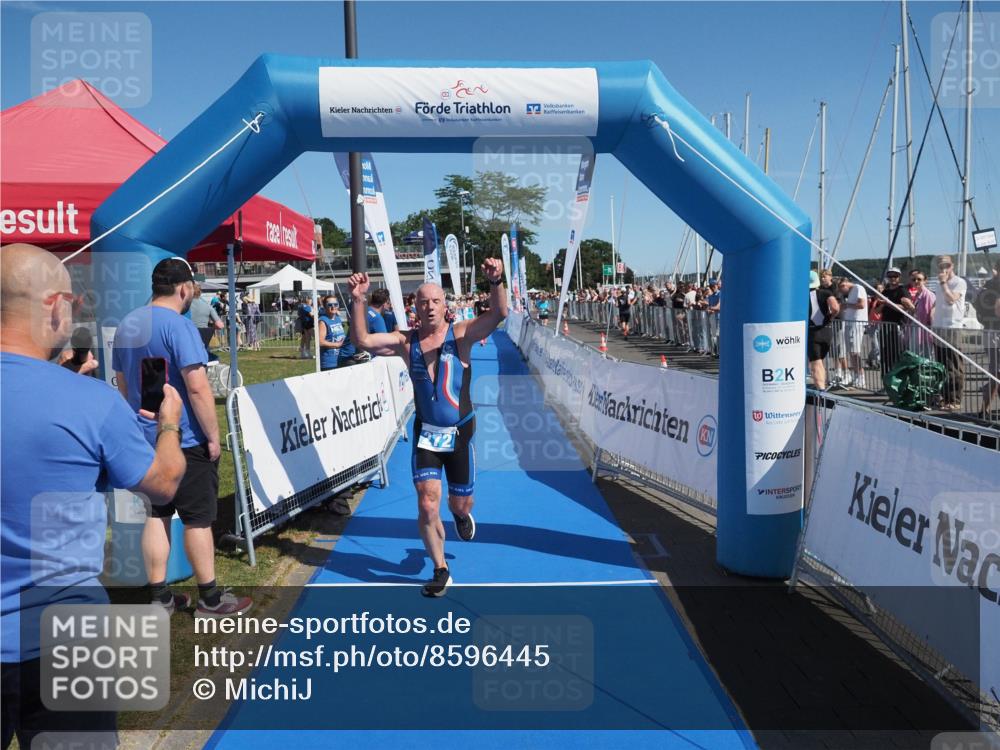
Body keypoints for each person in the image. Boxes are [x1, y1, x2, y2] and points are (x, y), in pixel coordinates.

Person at [1, 244, 186, 749]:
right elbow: (164, 481)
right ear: (53, 305)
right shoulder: (91, 402)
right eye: (74, 304)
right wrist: (169, 425)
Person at [346, 258, 507, 597]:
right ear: (414, 307)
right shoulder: (406, 343)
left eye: (435, 301)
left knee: (459, 504)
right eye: (423, 301)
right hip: (426, 435)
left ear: (444, 306)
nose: (430, 307)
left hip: (460, 434)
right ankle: (440, 569)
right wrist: (358, 299)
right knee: (426, 503)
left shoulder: (461, 335)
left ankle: (461, 516)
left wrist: (496, 282)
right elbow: (362, 340)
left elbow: (498, 316)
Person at [113, 258, 251, 617]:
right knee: (197, 518)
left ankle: (159, 598)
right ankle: (210, 598)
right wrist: (214, 435)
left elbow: (124, 382)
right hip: (185, 438)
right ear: (184, 289)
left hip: (145, 437)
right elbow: (198, 387)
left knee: (156, 515)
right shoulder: (180, 325)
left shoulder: (129, 323)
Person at [932, 254, 967, 410]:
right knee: (941, 365)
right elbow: (937, 303)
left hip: (952, 327)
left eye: (946, 265)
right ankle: (945, 398)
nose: (944, 269)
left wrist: (944, 282)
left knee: (953, 365)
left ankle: (955, 399)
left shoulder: (959, 282)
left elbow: (951, 299)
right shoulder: (939, 284)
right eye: (941, 266)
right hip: (939, 327)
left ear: (952, 266)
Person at [808, 270, 840, 390]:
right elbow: (835, 307)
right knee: (820, 361)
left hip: (813, 331)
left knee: (816, 363)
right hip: (827, 330)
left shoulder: (802, 294)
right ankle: (822, 386)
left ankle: (821, 391)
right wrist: (831, 317)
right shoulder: (826, 293)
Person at [976, 259, 1000, 419]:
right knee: (995, 373)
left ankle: (984, 409)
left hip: (991, 331)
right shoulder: (990, 286)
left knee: (995, 373)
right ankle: (984, 408)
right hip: (993, 333)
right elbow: (981, 310)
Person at [873, 267, 907, 377]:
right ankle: (886, 379)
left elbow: (905, 307)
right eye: (890, 276)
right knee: (885, 354)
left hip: (897, 325)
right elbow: (877, 310)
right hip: (885, 326)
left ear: (899, 277)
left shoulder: (902, 290)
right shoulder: (885, 291)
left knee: (895, 354)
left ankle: (896, 379)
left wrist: (888, 303)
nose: (892, 278)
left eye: (895, 276)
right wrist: (883, 303)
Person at [836, 278, 868, 388]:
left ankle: (861, 377)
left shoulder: (858, 288)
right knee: (852, 352)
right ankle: (856, 376)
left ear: (844, 285)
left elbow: (862, 304)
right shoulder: (852, 292)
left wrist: (846, 305)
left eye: (841, 289)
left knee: (855, 352)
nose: (842, 292)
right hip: (850, 323)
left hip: (857, 323)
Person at [190, 283, 224, 359]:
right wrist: (210, 327)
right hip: (203, 341)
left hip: (187, 341)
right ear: (200, 292)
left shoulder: (184, 305)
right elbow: (220, 325)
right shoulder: (207, 306)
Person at [318, 295, 347, 371]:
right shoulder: (323, 321)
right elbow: (320, 342)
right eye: (330, 305)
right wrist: (337, 345)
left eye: (335, 304)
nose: (333, 307)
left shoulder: (337, 319)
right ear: (324, 306)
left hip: (340, 358)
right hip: (329, 362)